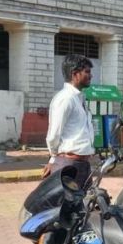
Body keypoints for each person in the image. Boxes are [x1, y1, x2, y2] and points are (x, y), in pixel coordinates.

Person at [44, 54, 96, 186]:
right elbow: (53, 134)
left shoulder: (79, 98)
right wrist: (53, 160)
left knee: (84, 204)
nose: (91, 76)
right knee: (67, 205)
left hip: (83, 164)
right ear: (75, 74)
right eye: (87, 72)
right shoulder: (65, 99)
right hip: (68, 164)